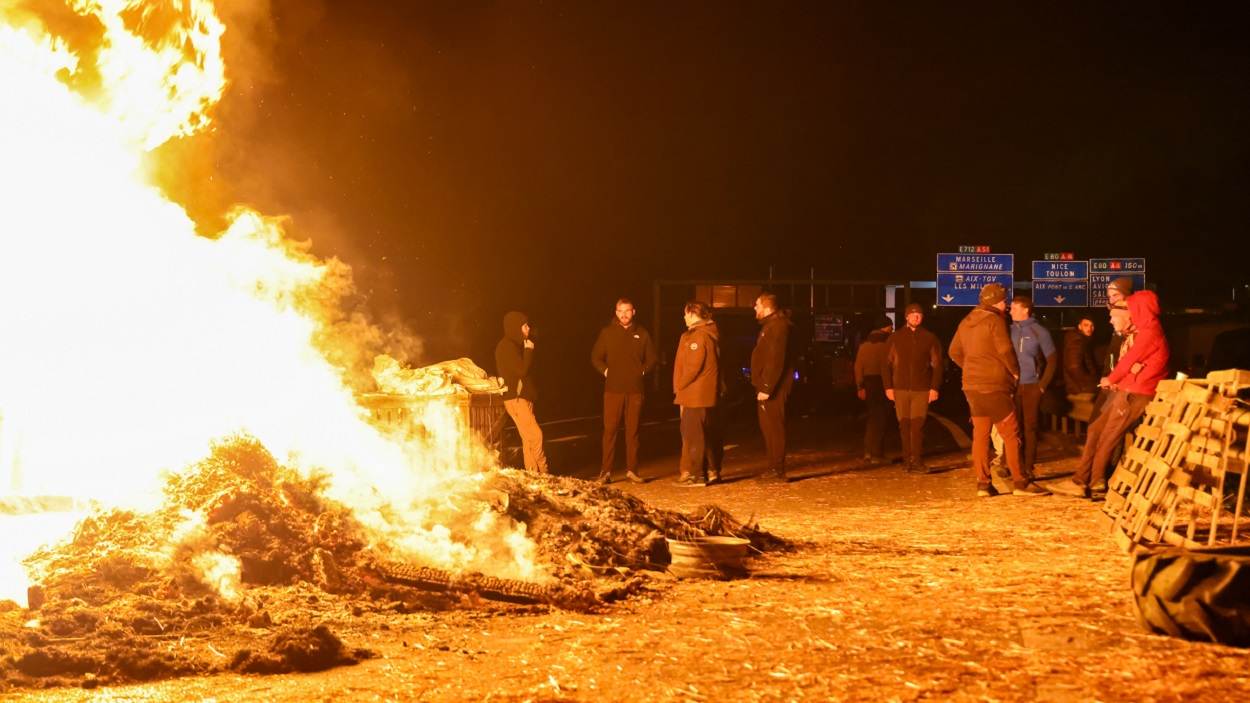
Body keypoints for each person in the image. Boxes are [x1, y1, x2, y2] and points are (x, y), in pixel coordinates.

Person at [1059, 290, 1169, 499]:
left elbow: (1129, 362)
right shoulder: (1140, 332)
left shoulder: (1149, 332)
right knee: (1097, 430)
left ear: (1137, 310)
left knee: (1108, 437)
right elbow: (1131, 365)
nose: (1109, 320)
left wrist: (1112, 379)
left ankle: (1094, 483)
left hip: (1134, 393)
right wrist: (1124, 376)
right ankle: (1081, 479)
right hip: (1126, 389)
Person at [948, 283, 1050, 497]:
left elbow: (953, 351)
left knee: (980, 436)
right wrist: (1014, 372)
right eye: (1004, 301)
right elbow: (1004, 349)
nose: (1005, 305)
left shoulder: (966, 321)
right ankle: (1021, 482)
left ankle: (983, 484)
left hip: (971, 386)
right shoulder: (995, 321)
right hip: (994, 385)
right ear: (995, 301)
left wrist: (970, 367)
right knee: (1012, 435)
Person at [590, 298, 657, 484]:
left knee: (633, 432)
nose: (624, 314)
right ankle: (605, 472)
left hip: (635, 390)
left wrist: (641, 371)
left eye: (627, 311)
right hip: (613, 390)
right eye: (620, 311)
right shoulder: (607, 333)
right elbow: (595, 357)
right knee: (610, 431)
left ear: (633, 312)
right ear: (616, 312)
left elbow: (652, 358)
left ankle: (632, 471)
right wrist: (605, 371)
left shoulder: (642, 333)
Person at [883, 303, 944, 473]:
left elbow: (937, 365)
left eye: (919, 314)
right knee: (904, 426)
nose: (916, 317)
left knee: (917, 426)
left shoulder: (929, 338)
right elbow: (885, 364)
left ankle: (916, 460)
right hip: (900, 388)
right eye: (913, 314)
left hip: (921, 389)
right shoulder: (895, 338)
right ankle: (906, 461)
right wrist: (888, 387)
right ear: (906, 317)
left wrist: (934, 388)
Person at [673, 302, 723, 486]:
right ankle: (711, 471)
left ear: (694, 314)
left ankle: (696, 474)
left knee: (693, 434)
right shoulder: (707, 334)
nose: (684, 317)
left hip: (695, 394)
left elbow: (693, 366)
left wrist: (679, 385)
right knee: (704, 433)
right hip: (700, 393)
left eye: (686, 314)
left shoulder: (698, 337)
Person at [1008, 296, 1056, 481]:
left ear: (1025, 310)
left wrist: (1042, 385)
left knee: (1030, 428)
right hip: (1013, 386)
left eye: (1013, 308)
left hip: (1031, 386)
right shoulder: (1009, 330)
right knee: (1014, 428)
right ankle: (1014, 465)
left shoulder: (1039, 332)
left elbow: (1052, 360)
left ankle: (1028, 467)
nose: (1010, 311)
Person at [495, 311, 549, 473]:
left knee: (528, 439)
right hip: (517, 399)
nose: (528, 328)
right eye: (524, 325)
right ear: (515, 327)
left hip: (521, 398)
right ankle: (544, 472)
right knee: (536, 436)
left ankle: (534, 474)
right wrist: (529, 351)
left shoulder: (513, 345)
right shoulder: (507, 347)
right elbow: (521, 370)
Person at [751, 293, 795, 482]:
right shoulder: (773, 326)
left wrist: (767, 387)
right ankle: (773, 467)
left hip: (774, 387)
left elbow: (776, 359)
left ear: (767, 308)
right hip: (769, 386)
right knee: (768, 426)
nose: (754, 308)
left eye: (757, 305)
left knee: (773, 426)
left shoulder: (778, 327)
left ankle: (777, 469)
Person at [854, 316, 893, 465]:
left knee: (872, 417)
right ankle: (877, 453)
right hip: (884, 382)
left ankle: (868, 451)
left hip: (868, 382)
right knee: (881, 418)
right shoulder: (889, 343)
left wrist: (860, 386)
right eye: (890, 326)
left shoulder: (864, 345)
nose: (892, 329)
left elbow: (858, 367)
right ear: (886, 327)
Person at [1063, 316, 1099, 396]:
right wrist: (1093, 382)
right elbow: (1074, 367)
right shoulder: (1077, 341)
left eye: (1091, 325)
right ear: (1079, 326)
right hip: (1080, 390)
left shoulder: (1082, 340)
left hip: (1079, 388)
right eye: (1086, 325)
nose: (1089, 328)